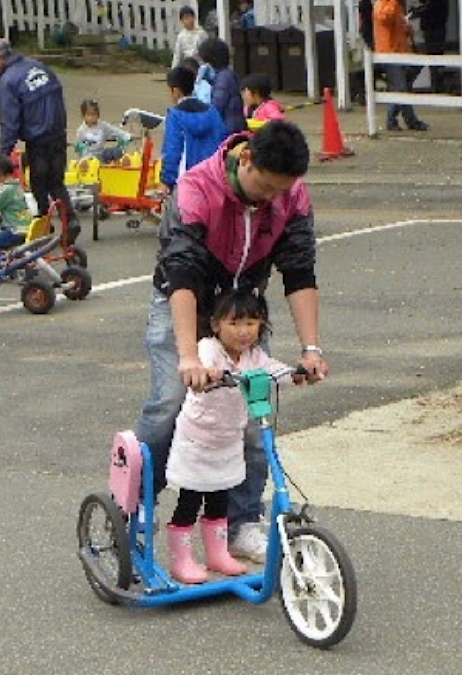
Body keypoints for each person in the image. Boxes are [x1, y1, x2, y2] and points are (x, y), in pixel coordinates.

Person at [134, 120, 328, 563]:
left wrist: (310, 349)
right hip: (185, 299)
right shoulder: (196, 188)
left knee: (253, 413)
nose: (271, 199)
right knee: (169, 404)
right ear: (245, 159)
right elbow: (180, 273)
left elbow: (299, 271)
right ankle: (136, 506)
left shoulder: (290, 196)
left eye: (282, 190)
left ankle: (240, 524)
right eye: (266, 186)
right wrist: (189, 356)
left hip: (240, 311)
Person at [164, 288, 304, 583]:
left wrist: (298, 374)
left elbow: (275, 372)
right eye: (234, 324)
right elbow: (199, 366)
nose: (243, 332)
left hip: (228, 441)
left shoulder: (255, 356)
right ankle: (182, 559)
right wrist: (206, 373)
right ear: (216, 324)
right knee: (190, 499)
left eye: (251, 324)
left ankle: (217, 553)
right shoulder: (207, 348)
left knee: (220, 498)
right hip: (198, 441)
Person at [0, 37, 81, 244]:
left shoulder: (8, 81)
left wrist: (3, 153)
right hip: (58, 133)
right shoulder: (39, 67)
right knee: (56, 181)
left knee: (39, 183)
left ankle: (43, 225)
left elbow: (9, 120)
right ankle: (70, 220)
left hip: (38, 138)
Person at [160, 66, 228, 191]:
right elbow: (223, 140)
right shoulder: (212, 111)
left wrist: (166, 180)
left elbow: (172, 150)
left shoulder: (175, 115)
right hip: (214, 178)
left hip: (188, 182)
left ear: (176, 91)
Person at [373, 0, 429, 132]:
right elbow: (385, 18)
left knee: (403, 88)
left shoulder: (396, 6)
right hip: (389, 54)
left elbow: (397, 28)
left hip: (400, 52)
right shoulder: (382, 4)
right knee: (400, 88)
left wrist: (406, 28)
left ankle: (410, 120)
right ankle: (393, 120)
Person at [197, 37, 246, 135]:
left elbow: (216, 107)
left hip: (228, 130)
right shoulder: (219, 75)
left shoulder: (224, 77)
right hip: (229, 126)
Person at [75, 99, 132, 164]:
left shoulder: (102, 126)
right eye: (88, 115)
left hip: (101, 154)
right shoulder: (81, 130)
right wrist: (79, 159)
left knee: (114, 151)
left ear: (98, 115)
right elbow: (79, 148)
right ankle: (84, 165)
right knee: (86, 159)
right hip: (89, 157)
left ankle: (123, 161)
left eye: (94, 115)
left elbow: (116, 131)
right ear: (83, 116)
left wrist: (128, 135)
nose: (91, 117)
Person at [413, 0, 449, 92]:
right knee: (434, 56)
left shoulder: (435, 4)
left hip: (434, 29)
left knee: (434, 56)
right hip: (435, 28)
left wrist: (416, 12)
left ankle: (438, 84)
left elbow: (430, 8)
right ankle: (437, 84)